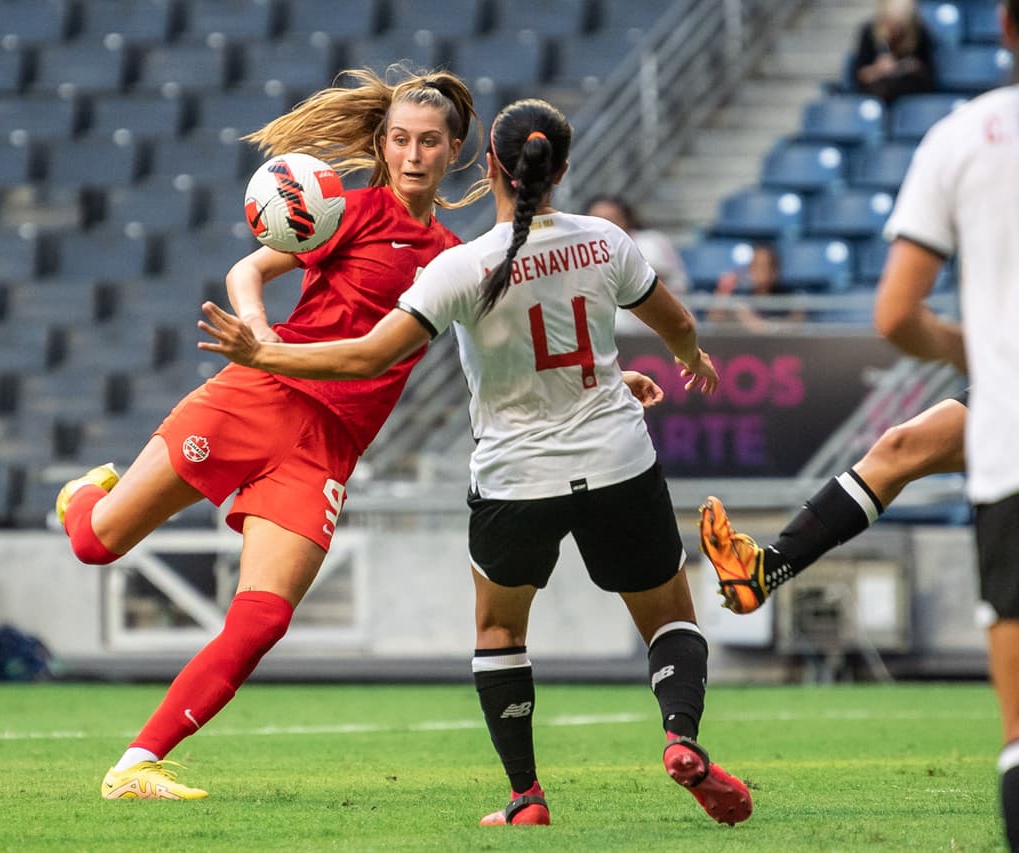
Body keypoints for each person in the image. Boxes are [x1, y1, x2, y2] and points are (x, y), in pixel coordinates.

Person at [198, 98, 752, 828]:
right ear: (563, 170)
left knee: (500, 633)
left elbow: (370, 354)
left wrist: (264, 351)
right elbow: (674, 321)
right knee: (668, 616)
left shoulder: (462, 265)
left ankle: (526, 797)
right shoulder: (606, 241)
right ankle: (680, 735)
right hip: (618, 458)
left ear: (487, 164)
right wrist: (685, 360)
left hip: (517, 476)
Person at [53, 65, 485, 800]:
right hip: (257, 394)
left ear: (454, 151)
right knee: (96, 543)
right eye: (403, 140)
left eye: (431, 142)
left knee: (263, 617)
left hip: (328, 445)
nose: (415, 155)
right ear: (382, 146)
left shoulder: (454, 256)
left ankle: (136, 763)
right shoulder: (348, 210)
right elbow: (246, 271)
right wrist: (257, 336)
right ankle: (82, 497)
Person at [739, 3, 1019, 848]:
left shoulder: (968, 136)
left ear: (1002, 27)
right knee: (903, 445)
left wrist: (990, 353)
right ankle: (765, 568)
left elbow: (896, 311)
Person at [699, 390, 966, 613]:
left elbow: (899, 325)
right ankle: (766, 569)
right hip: (1004, 384)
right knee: (899, 447)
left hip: (1007, 383)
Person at [583, 194, 692, 296]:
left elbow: (656, 283)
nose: (604, 225)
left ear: (626, 220)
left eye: (611, 219)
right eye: (596, 220)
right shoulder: (581, 249)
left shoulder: (651, 241)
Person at [850, 0, 937, 103]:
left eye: (898, 24)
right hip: (878, 91)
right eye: (890, 22)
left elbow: (929, 75)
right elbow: (860, 76)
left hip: (909, 91)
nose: (894, 28)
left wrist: (910, 66)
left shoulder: (920, 32)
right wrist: (878, 69)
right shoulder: (870, 32)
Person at [706, 243, 806, 331]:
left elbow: (794, 326)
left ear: (775, 270)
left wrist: (754, 322)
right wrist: (723, 291)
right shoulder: (740, 300)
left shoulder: (789, 301)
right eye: (755, 266)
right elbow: (713, 321)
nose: (760, 271)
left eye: (765, 266)